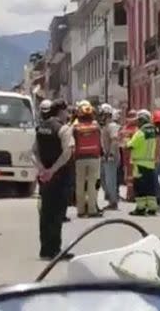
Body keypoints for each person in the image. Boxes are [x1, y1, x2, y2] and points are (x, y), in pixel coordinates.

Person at [33, 99, 75, 260]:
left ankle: (44, 249)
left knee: (45, 212)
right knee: (57, 214)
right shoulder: (63, 129)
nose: (68, 114)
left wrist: (42, 169)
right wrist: (53, 170)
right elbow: (67, 153)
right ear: (61, 112)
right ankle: (54, 250)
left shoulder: (41, 128)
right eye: (66, 111)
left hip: (44, 178)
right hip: (59, 176)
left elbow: (33, 152)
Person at [72, 102, 103, 217]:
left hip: (79, 158)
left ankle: (80, 210)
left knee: (79, 184)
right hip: (94, 158)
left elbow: (72, 141)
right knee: (92, 185)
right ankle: (92, 209)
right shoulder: (96, 125)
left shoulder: (76, 126)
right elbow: (101, 141)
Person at [127, 110, 159, 216]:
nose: (137, 123)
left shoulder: (140, 132)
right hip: (150, 163)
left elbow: (130, 145)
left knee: (139, 186)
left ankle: (140, 208)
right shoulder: (154, 131)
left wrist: (126, 141)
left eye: (138, 120)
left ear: (142, 120)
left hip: (140, 164)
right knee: (150, 187)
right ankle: (152, 207)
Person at [100, 106, 121, 210]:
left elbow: (115, 140)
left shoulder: (112, 126)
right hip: (105, 157)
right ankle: (111, 198)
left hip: (111, 157)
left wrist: (111, 154)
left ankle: (113, 202)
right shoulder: (105, 126)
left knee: (110, 180)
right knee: (103, 179)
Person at [119, 110, 139, 202]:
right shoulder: (137, 129)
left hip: (126, 156)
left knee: (129, 177)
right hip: (135, 155)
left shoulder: (124, 129)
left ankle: (130, 194)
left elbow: (122, 143)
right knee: (132, 177)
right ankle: (132, 195)